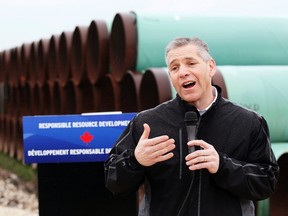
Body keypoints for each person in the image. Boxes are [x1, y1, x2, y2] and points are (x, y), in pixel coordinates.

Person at [104, 37, 279, 216]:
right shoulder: (147, 123)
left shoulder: (248, 122)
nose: (182, 72)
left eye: (191, 63)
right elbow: (113, 181)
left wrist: (223, 165)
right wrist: (135, 160)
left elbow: (266, 182)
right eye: (174, 67)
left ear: (210, 67)